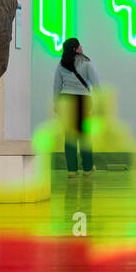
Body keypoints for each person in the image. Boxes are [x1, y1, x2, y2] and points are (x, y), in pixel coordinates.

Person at [53, 37, 100, 174]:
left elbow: (56, 86)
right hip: (82, 101)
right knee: (84, 135)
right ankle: (87, 168)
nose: (81, 47)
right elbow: (96, 83)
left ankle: (72, 170)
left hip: (66, 100)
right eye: (79, 45)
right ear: (75, 49)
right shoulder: (86, 63)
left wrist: (56, 103)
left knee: (69, 136)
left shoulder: (61, 64)